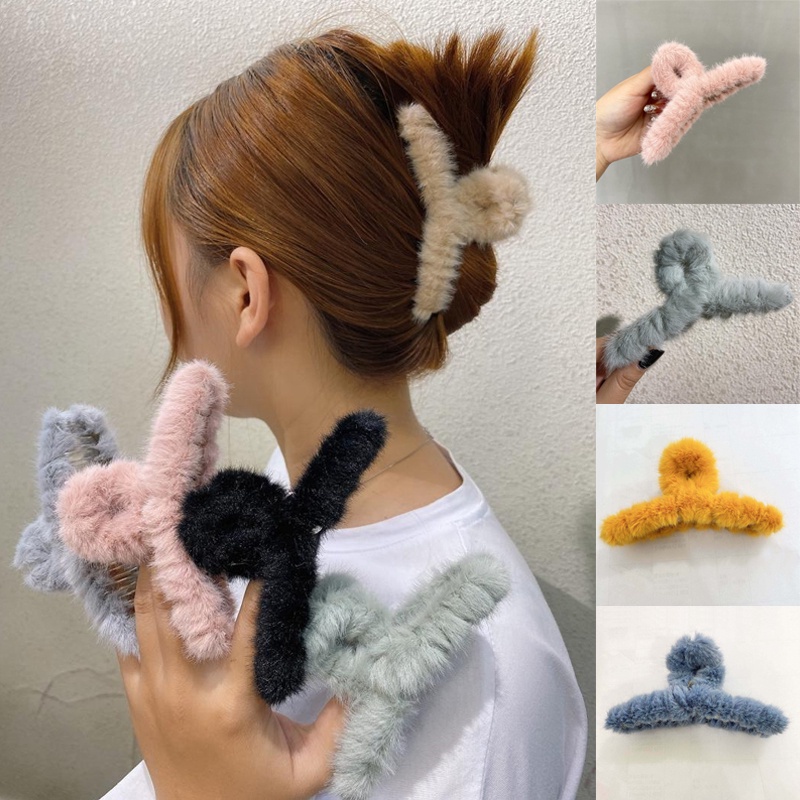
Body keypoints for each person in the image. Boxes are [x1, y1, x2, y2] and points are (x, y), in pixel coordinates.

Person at [103, 25, 588, 799]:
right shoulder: (291, 483)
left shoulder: (491, 689)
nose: (167, 315)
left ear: (246, 294)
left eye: (168, 276)